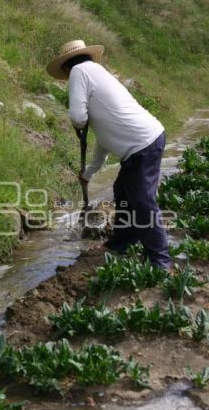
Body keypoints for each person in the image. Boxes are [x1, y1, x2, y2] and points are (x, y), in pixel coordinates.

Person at [47, 40, 171, 270]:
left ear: (65, 67)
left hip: (141, 145)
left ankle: (160, 260)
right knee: (122, 191)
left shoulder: (78, 71)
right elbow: (104, 144)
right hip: (147, 140)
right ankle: (122, 241)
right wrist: (88, 173)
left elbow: (77, 116)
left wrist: (80, 121)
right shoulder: (96, 74)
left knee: (143, 201)